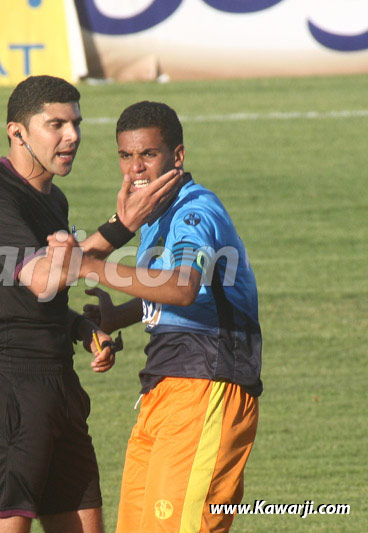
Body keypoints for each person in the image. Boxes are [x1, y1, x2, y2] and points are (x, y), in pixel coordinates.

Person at [0, 76, 183, 533]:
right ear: (16, 131)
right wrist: (120, 225)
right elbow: (45, 276)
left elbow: (39, 300)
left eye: (76, 123)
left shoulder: (53, 200)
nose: (73, 135)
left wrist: (82, 329)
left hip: (58, 389)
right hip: (6, 393)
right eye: (55, 124)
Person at [54, 100, 261, 532]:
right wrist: (121, 316)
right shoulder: (155, 216)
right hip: (164, 390)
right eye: (126, 156)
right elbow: (185, 292)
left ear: (177, 157)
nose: (136, 169)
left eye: (148, 154)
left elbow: (183, 286)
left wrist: (91, 267)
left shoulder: (193, 211)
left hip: (206, 386)